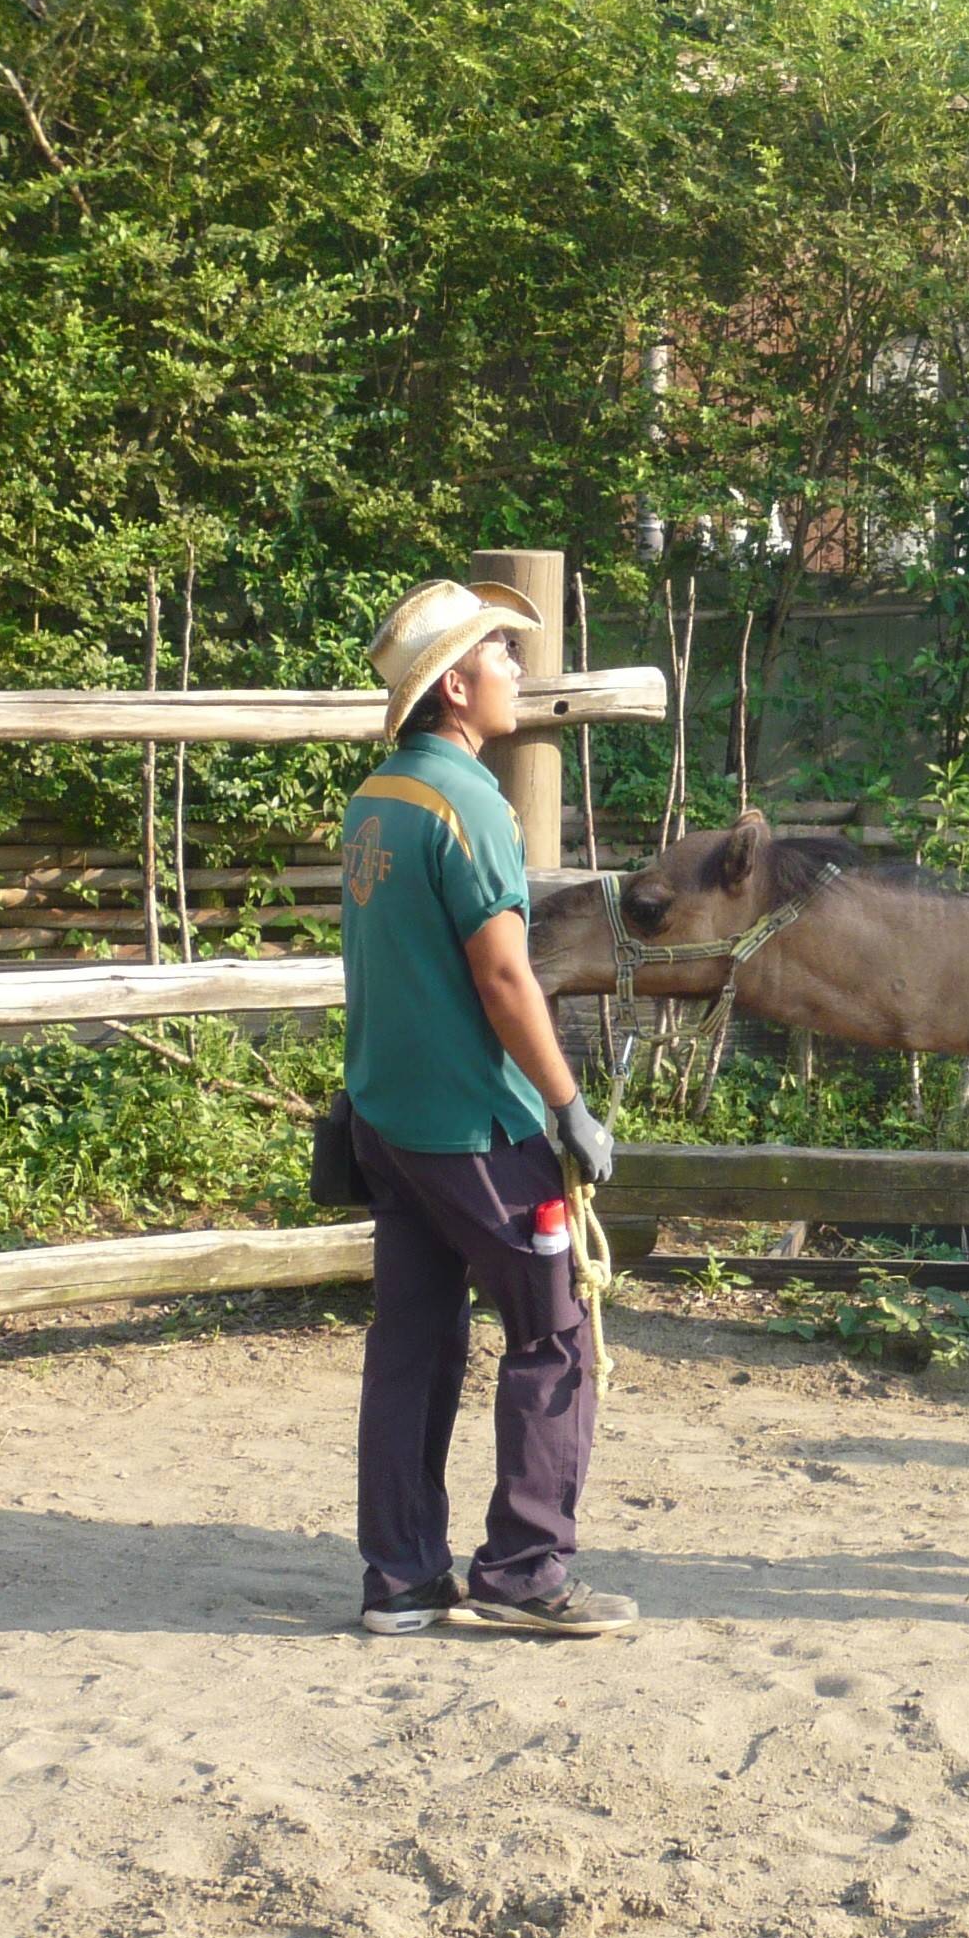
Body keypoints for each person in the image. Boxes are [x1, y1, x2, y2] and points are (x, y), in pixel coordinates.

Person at [341, 577, 634, 1639]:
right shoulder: (469, 806)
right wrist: (568, 1103)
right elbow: (505, 977)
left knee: (412, 1348)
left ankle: (401, 1579)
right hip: (473, 1126)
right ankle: (524, 1572)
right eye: (502, 654)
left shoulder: (377, 796)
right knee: (555, 1335)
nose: (517, 669)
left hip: (387, 1119)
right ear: (457, 687)